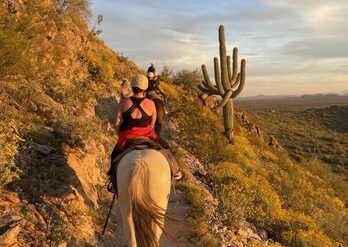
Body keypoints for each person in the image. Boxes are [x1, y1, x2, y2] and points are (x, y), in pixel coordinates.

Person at [110, 73, 182, 179]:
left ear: (132, 87)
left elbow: (116, 123)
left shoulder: (124, 102)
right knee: (165, 147)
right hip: (147, 135)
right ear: (145, 88)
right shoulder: (151, 103)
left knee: (114, 155)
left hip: (127, 136)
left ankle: (112, 179)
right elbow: (152, 124)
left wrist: (120, 132)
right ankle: (176, 171)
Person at [146, 71, 166, 136]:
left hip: (149, 92)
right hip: (153, 92)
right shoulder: (155, 80)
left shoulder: (149, 80)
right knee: (161, 99)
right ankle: (164, 109)